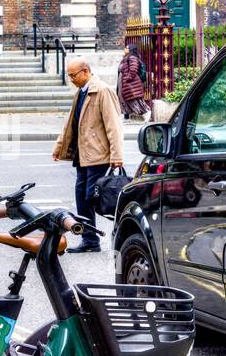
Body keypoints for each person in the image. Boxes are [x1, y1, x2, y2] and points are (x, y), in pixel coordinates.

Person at [52, 56, 124, 253]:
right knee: (82, 198)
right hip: (82, 155)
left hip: (98, 155)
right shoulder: (81, 92)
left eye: (73, 75)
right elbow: (70, 124)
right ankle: (90, 240)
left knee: (96, 199)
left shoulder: (102, 91)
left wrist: (117, 156)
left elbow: (113, 126)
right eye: (69, 76)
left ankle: (116, 233)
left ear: (85, 71)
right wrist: (59, 146)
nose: (71, 79)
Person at [117, 43, 151, 120]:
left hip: (132, 84)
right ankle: (132, 115)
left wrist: (127, 78)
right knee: (130, 100)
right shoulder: (127, 58)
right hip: (128, 83)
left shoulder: (132, 58)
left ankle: (146, 112)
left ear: (130, 50)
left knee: (136, 100)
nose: (125, 49)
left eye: (126, 48)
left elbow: (133, 70)